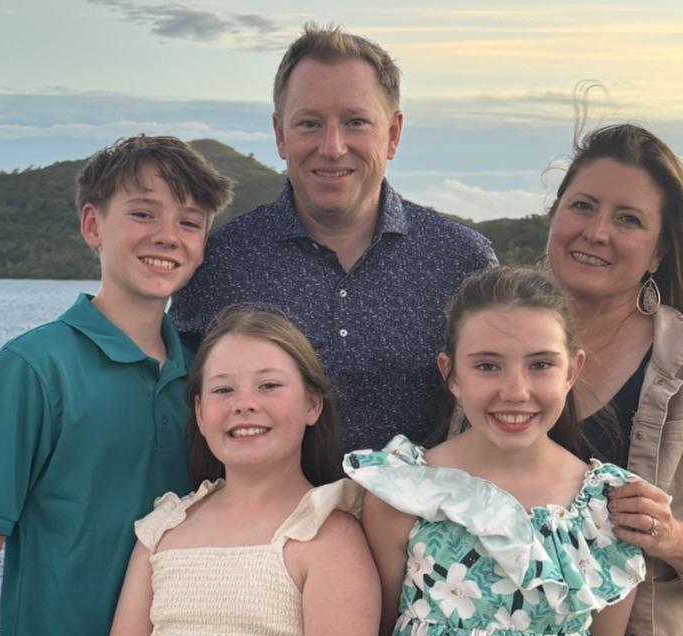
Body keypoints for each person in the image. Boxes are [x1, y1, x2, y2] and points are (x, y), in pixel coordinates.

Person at [169, 24, 496, 454]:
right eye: (309, 123)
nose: (333, 147)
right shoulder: (220, 261)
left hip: (426, 499)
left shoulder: (462, 261)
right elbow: (174, 408)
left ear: (393, 133)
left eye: (355, 122)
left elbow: (506, 403)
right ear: (280, 134)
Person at [0, 135, 233, 636]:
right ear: (92, 225)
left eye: (190, 222)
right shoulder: (32, 368)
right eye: (143, 213)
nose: (167, 235)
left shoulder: (209, 379)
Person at [345, 265, 647, 636]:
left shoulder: (608, 507)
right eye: (488, 366)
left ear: (572, 371)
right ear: (451, 375)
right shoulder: (405, 490)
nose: (515, 391)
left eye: (541, 364)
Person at [546, 123, 683, 636]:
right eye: (583, 206)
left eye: (628, 219)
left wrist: (673, 536)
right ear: (554, 215)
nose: (597, 232)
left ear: (658, 251)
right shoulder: (490, 336)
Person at [100, 307, 380, 636]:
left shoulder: (326, 536)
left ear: (312, 404)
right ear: (200, 413)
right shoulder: (162, 532)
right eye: (222, 389)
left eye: (269, 385)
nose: (244, 403)